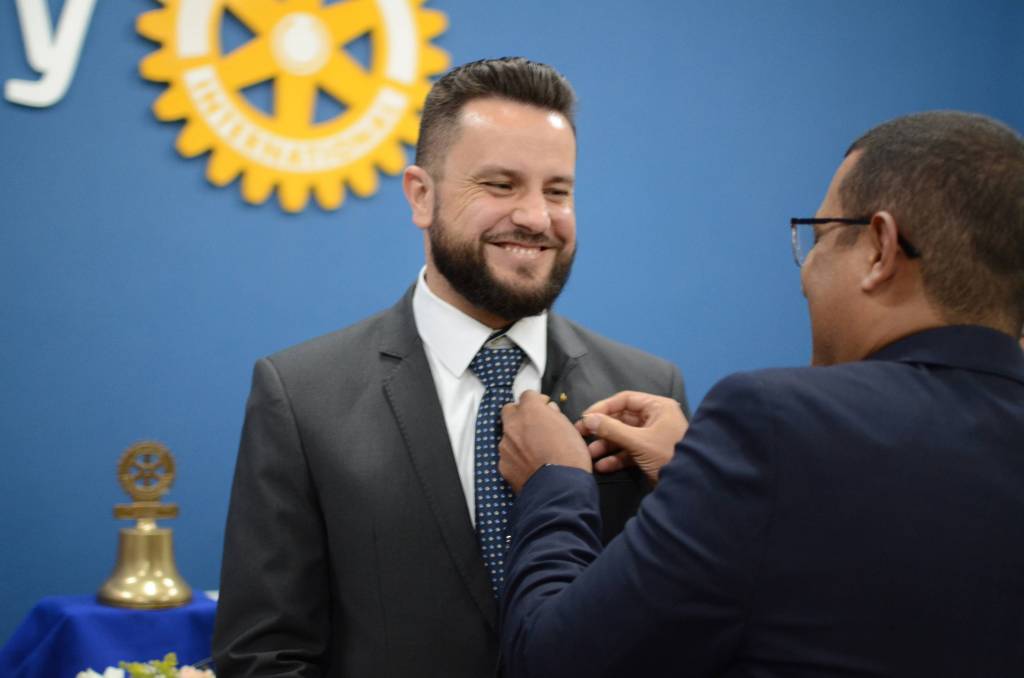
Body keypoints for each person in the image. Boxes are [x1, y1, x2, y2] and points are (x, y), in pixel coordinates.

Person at [498, 111, 1024, 677]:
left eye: (819, 238)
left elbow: (553, 661)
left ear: (880, 248)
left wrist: (554, 481)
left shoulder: (772, 422)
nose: (806, 272)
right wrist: (698, 477)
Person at [212, 57, 688, 677]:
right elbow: (264, 658)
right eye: (500, 185)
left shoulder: (650, 391)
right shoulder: (302, 397)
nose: (536, 218)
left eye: (557, 191)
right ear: (421, 195)